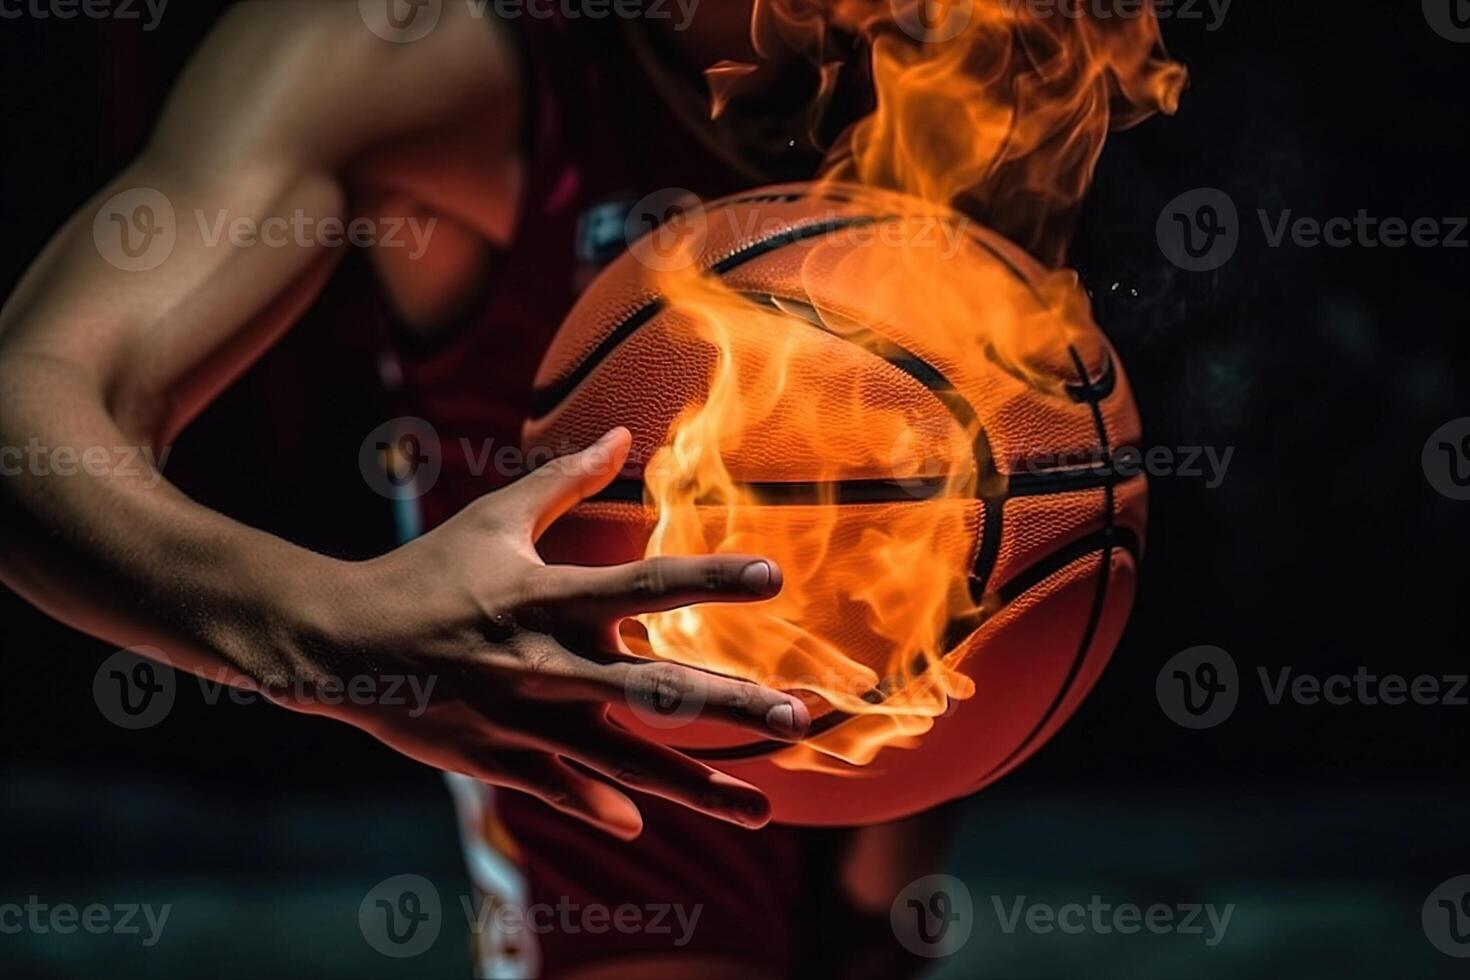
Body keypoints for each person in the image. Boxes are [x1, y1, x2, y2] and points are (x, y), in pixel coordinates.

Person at [0, 3, 948, 977]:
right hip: (628, 800)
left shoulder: (994, 64)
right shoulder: (415, 54)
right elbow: (26, 418)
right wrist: (321, 621)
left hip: (922, 777)